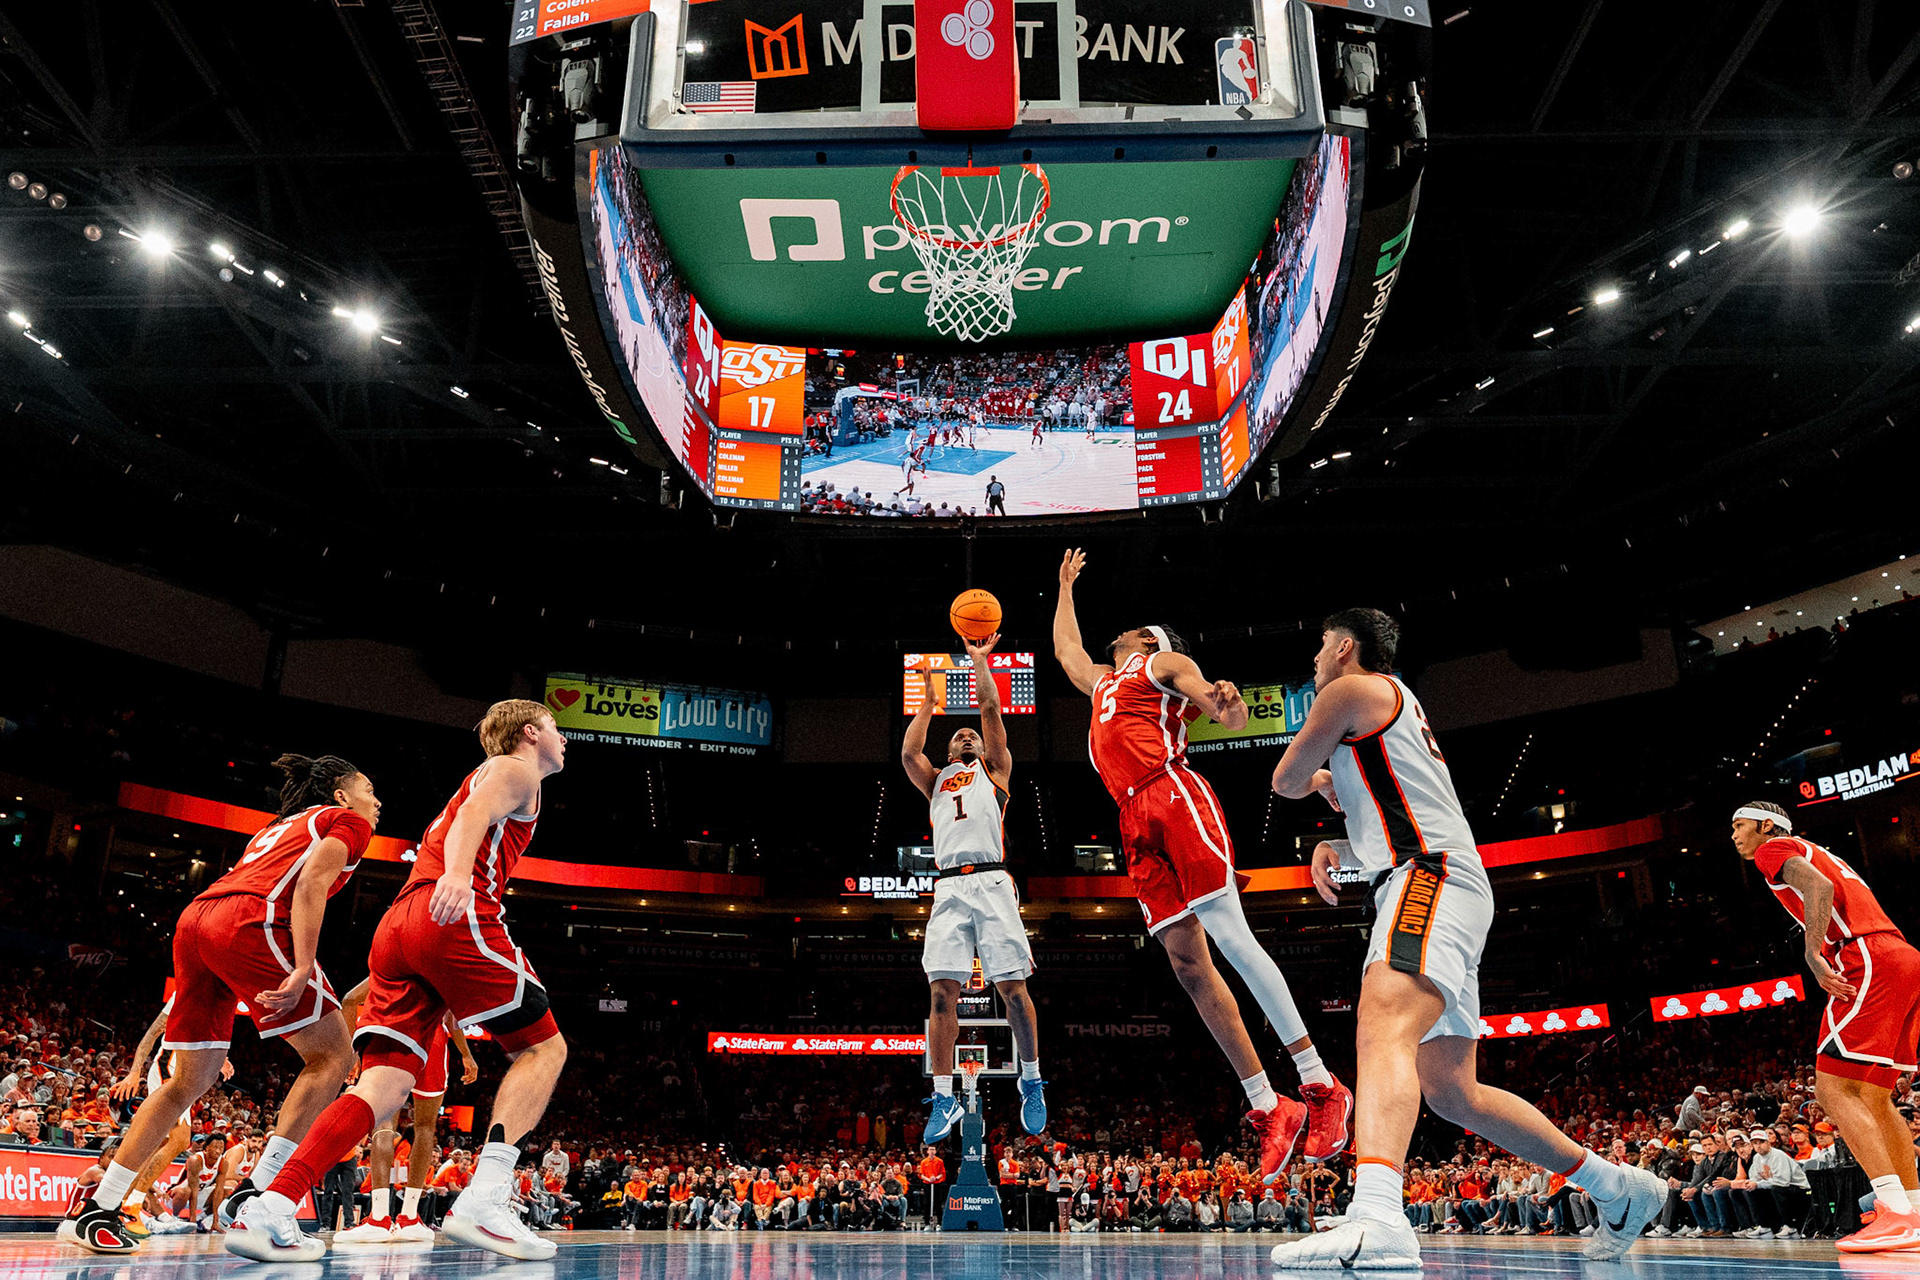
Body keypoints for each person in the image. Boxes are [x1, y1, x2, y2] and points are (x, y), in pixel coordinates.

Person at [1266, 608, 1665, 1268]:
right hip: (1434, 876)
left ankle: (1379, 1218)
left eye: (1319, 646)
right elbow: (1400, 816)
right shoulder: (1384, 714)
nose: (1314, 660)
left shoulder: (1351, 689)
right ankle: (1619, 1187)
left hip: (1430, 876)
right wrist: (1343, 840)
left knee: (1382, 1020)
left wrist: (1314, 780)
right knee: (1453, 1091)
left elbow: (1282, 780)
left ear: (1344, 647)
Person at [226, 700, 569, 1263]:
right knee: (542, 1047)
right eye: (556, 728)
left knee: (380, 1088)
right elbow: (472, 818)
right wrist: (459, 874)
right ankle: (485, 1198)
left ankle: (272, 1206)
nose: (563, 739)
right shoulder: (515, 767)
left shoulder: (490, 774)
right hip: (451, 912)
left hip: (398, 928)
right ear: (531, 733)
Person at [1053, 549, 1348, 1186]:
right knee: (1189, 966)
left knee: (1233, 938)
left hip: (1173, 795)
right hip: (1132, 818)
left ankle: (1321, 1082)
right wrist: (1063, 588)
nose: (1120, 632)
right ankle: (1271, 1106)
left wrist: (1229, 704)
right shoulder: (1106, 681)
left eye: (1130, 628)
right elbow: (1067, 655)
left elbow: (1226, 713)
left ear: (1148, 638)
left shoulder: (1163, 661)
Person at [59, 755, 378, 1253]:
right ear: (340, 795)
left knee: (189, 1080)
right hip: (249, 920)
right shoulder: (349, 821)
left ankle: (101, 1207)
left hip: (197, 919)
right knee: (334, 1056)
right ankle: (261, 1196)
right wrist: (301, 965)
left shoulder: (281, 825)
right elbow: (313, 883)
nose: (376, 801)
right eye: (368, 789)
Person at [1731, 800, 1920, 1252]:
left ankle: (1894, 1213)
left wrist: (1813, 953)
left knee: (1833, 1090)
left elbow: (1816, 888)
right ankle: (1912, 1209)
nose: (1735, 836)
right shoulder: (1818, 848)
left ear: (1765, 825)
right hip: (1901, 957)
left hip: (1865, 956)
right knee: (1874, 1098)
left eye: (1739, 826)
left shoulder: (1773, 848)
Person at [903, 632, 1045, 1144]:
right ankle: (943, 1095)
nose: (967, 736)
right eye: (958, 735)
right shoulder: (935, 778)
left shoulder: (996, 771)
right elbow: (908, 752)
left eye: (973, 736)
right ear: (947, 748)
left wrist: (980, 662)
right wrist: (929, 705)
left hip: (990, 881)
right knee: (941, 993)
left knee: (1012, 990)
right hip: (947, 890)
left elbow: (988, 705)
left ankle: (1031, 1081)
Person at [332, 979, 478, 1244]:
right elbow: (451, 1016)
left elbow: (349, 1000)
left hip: (393, 1037)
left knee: (384, 1125)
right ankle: (409, 1217)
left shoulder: (392, 961)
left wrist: (352, 1054)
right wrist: (466, 1054)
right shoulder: (439, 964)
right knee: (425, 1128)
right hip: (431, 1041)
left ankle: (378, 1218)